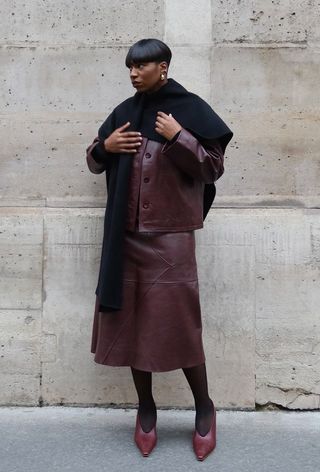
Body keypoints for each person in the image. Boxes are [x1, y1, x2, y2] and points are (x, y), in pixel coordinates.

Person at [86, 38, 233, 461]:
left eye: (141, 66)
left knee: (180, 326)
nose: (133, 73)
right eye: (130, 66)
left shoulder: (188, 109)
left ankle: (204, 407)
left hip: (171, 240)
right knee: (131, 325)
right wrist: (104, 148)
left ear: (163, 67)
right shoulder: (125, 112)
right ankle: (145, 408)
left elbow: (212, 168)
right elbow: (94, 159)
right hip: (125, 237)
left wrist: (179, 136)